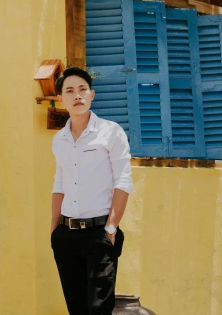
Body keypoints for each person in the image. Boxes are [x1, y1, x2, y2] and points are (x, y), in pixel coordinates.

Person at [50, 66, 133, 315]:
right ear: (60, 99)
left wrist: (111, 228)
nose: (77, 95)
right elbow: (59, 185)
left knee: (98, 310)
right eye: (70, 91)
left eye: (82, 89)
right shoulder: (59, 139)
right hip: (66, 236)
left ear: (92, 95)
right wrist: (54, 231)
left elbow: (123, 181)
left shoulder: (111, 132)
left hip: (99, 234)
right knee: (76, 309)